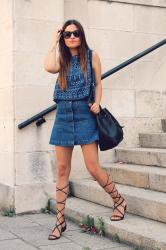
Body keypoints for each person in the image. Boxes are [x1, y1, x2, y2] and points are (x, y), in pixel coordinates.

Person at [44, 19, 127, 240]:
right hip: (63, 116)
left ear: (82, 35)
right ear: (63, 37)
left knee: (93, 168)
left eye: (76, 33)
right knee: (62, 170)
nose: (72, 37)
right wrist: (54, 41)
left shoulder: (91, 56)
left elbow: (98, 83)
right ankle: (60, 221)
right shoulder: (60, 57)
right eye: (67, 34)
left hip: (84, 115)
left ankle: (119, 200)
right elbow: (48, 67)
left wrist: (98, 102)